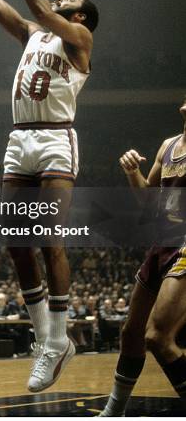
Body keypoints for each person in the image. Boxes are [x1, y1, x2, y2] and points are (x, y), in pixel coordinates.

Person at [0, 0, 98, 392]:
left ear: (81, 16)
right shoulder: (34, 34)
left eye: (71, 0)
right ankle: (46, 339)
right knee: (15, 243)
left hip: (54, 138)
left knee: (49, 238)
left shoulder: (79, 39)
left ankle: (58, 339)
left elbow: (48, 11)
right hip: (19, 138)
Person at [100, 96, 186, 416]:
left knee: (158, 338)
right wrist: (132, 172)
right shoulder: (168, 146)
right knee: (131, 333)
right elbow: (148, 204)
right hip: (161, 243)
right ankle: (114, 411)